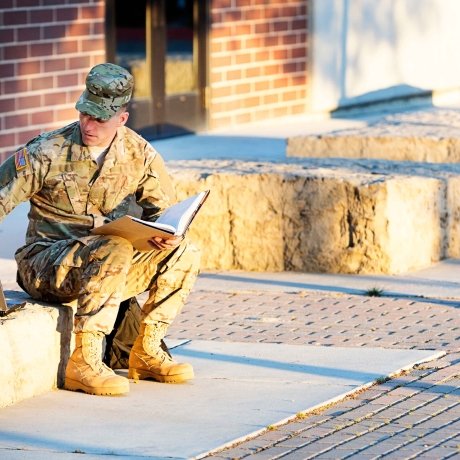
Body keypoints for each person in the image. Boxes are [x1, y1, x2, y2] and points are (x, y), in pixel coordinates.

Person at [0, 63, 201, 396]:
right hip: (46, 265)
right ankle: (85, 362)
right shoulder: (46, 152)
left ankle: (146, 350)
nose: (88, 124)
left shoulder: (141, 155)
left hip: (108, 265)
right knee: (114, 248)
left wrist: (165, 235)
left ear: (121, 119)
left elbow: (164, 214)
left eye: (98, 118)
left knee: (185, 251)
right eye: (84, 114)